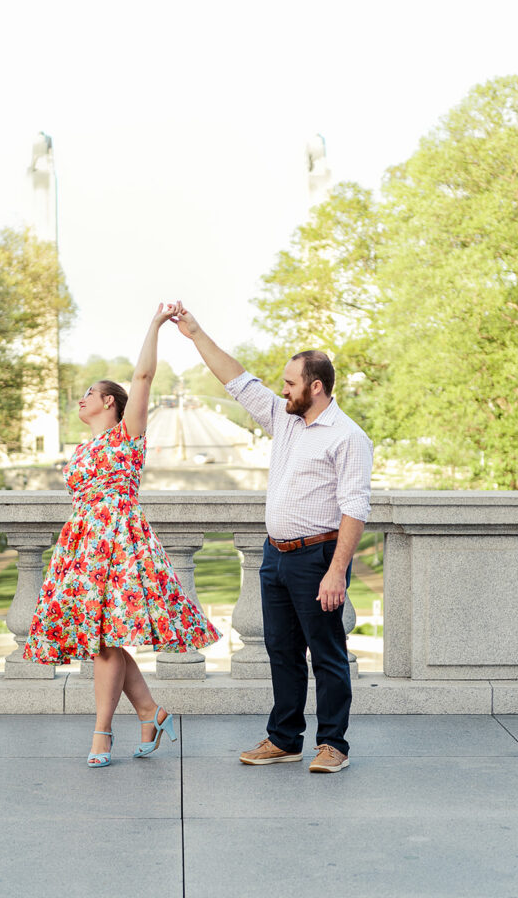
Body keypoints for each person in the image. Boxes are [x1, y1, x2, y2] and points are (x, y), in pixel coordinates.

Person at [172, 304, 372, 772]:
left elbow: (355, 508)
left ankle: (333, 746)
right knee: (281, 652)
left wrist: (336, 572)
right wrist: (195, 332)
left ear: (315, 387)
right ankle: (284, 739)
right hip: (274, 556)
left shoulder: (347, 436)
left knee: (327, 655)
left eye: (290, 383)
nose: (281, 389)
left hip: (317, 558)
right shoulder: (284, 418)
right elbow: (236, 380)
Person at [23, 303, 221, 767]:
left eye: (89, 393)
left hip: (121, 543)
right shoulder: (83, 447)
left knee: (104, 641)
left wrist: (154, 325)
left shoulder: (127, 434)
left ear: (109, 401)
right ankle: (151, 713)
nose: (81, 399)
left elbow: (145, 378)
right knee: (103, 638)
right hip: (85, 547)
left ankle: (102, 734)